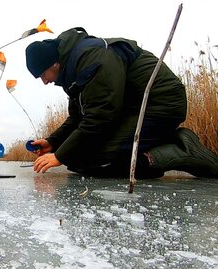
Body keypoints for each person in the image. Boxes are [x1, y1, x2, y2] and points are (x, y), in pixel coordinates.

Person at [25, 27, 218, 178]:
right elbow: (78, 117)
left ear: (54, 64)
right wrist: (53, 142)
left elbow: (101, 115)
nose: (45, 81)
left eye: (43, 75)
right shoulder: (72, 72)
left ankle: (179, 148)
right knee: (77, 159)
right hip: (130, 109)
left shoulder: (92, 59)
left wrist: (59, 156)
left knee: (95, 159)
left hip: (159, 104)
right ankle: (156, 145)